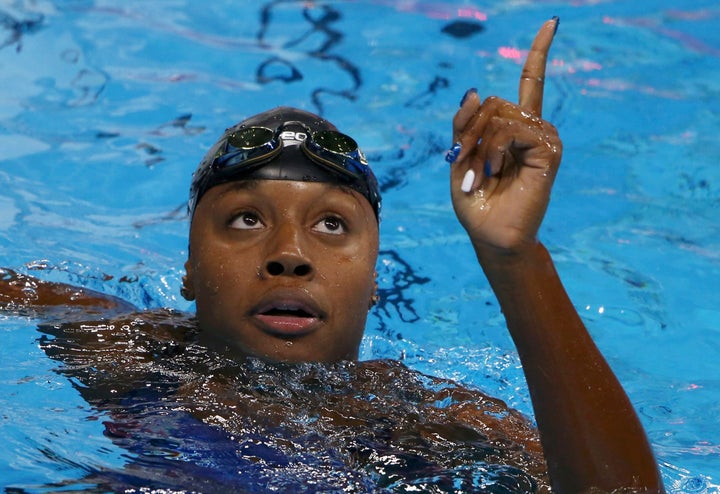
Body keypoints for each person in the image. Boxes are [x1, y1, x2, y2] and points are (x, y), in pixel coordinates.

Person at [1, 18, 664, 493]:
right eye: (246, 219)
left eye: (331, 226)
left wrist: (516, 260)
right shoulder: (127, 353)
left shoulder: (430, 426)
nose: (289, 255)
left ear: (375, 283)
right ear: (190, 271)